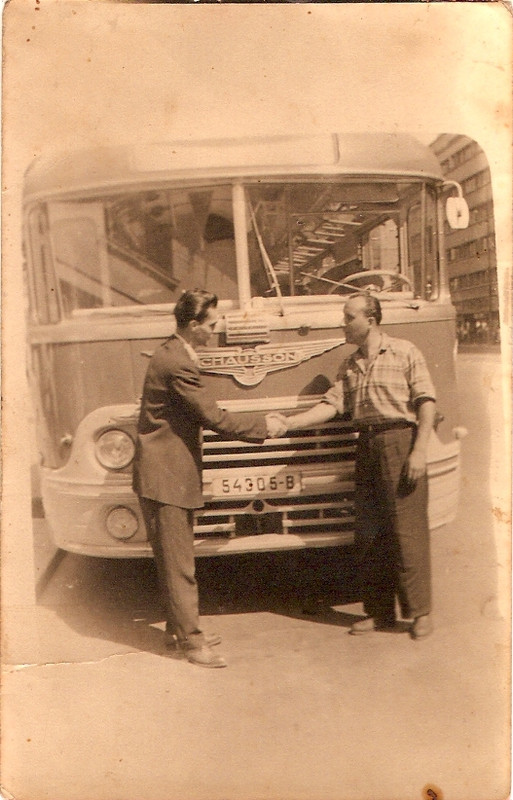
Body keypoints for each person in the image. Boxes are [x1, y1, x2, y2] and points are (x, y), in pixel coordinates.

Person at [270, 293, 436, 640]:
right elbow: (331, 406)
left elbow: (426, 404)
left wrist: (419, 451)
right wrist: (289, 423)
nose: (342, 324)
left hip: (401, 441)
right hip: (367, 445)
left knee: (407, 531)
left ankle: (419, 613)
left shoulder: (406, 352)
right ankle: (379, 613)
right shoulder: (349, 364)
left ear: (371, 320)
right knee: (370, 533)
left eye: (348, 317)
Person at [133, 289, 275, 668]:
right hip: (166, 477)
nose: (217, 330)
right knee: (180, 564)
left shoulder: (172, 352)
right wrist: (264, 426)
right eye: (211, 325)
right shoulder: (178, 362)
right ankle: (193, 644)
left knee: (173, 560)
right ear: (193, 326)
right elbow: (213, 417)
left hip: (166, 474)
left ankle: (178, 630)